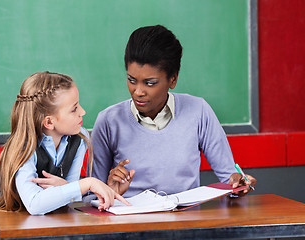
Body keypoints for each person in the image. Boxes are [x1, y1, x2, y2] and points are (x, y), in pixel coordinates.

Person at [0, 71, 128, 240]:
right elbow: (35, 204)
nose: (83, 112)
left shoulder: (80, 138)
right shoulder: (24, 147)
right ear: (49, 122)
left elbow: (70, 196)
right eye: (74, 109)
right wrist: (86, 184)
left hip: (25, 227)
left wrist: (67, 188)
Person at [91, 25, 257, 198]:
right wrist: (109, 192)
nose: (138, 91)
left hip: (186, 222)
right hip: (130, 223)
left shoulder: (198, 111)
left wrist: (239, 184)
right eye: (132, 80)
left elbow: (231, 179)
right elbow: (92, 197)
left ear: (173, 79)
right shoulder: (108, 121)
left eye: (150, 83)